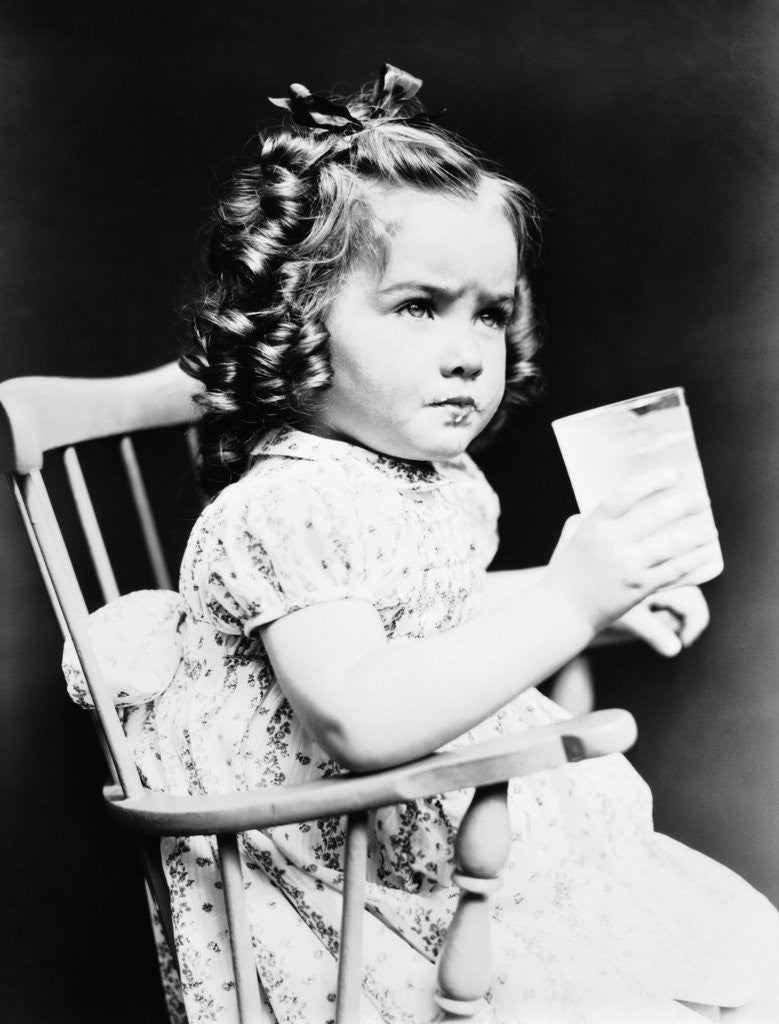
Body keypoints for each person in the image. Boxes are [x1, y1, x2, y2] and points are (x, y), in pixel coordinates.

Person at [66, 66, 779, 1023]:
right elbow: (360, 719)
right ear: (298, 325)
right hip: (341, 886)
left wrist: (590, 604)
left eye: (487, 311)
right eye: (416, 306)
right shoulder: (284, 506)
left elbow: (429, 612)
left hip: (439, 857)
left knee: (715, 962)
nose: (468, 350)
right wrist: (563, 601)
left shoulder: (434, 482)